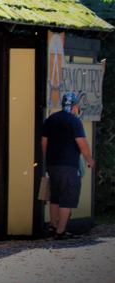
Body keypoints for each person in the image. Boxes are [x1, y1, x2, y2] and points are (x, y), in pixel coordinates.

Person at [42, 92, 94, 239]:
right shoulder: (74, 121)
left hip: (52, 164)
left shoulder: (51, 119)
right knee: (67, 197)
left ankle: (52, 225)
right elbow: (82, 144)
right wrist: (89, 159)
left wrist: (48, 158)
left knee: (55, 196)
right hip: (69, 164)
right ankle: (61, 231)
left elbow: (44, 143)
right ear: (75, 106)